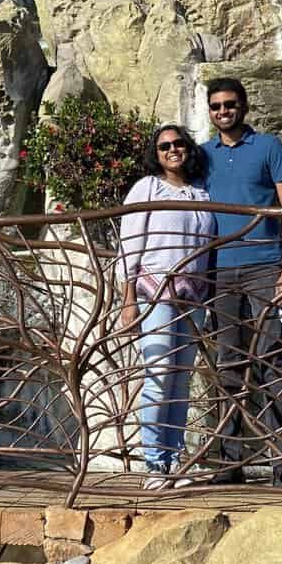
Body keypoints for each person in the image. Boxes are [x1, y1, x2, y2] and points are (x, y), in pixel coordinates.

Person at [200, 77, 282, 488]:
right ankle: (229, 465)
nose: (223, 111)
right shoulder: (202, 155)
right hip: (219, 271)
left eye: (229, 104)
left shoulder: (268, 147)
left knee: (271, 363)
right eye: (216, 106)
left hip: (264, 267)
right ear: (210, 112)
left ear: (243, 106)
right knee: (227, 366)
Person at [115, 123, 215, 490]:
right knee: (158, 376)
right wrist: (127, 299)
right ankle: (154, 464)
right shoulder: (147, 188)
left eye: (178, 144)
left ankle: (172, 461)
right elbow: (130, 244)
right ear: (155, 154)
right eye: (164, 146)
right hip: (153, 292)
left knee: (180, 381)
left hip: (194, 295)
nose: (172, 150)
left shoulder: (200, 194)